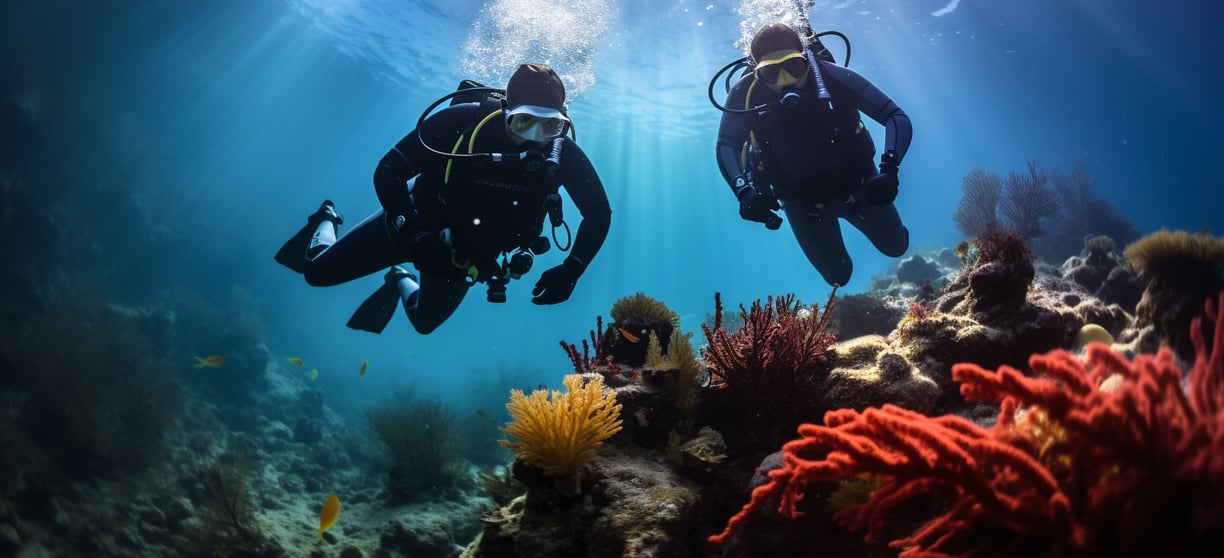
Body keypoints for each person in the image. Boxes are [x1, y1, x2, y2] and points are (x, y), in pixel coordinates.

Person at [275, 64, 611, 334]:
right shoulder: (460, 122)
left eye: (550, 126)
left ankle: (398, 279)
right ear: (507, 109)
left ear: (562, 122)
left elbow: (598, 212)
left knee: (424, 324)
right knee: (315, 274)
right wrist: (416, 236)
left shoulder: (562, 153)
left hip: (462, 256)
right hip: (412, 222)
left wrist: (573, 268)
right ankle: (328, 218)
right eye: (524, 123)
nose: (535, 140)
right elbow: (388, 171)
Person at [714, 22, 912, 287]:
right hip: (802, 202)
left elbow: (895, 116)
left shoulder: (833, 77)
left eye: (794, 67)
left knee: (896, 247)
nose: (786, 82)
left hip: (861, 185)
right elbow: (727, 144)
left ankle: (866, 219)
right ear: (758, 72)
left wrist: (889, 169)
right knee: (837, 277)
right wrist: (744, 192)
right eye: (772, 73)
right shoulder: (745, 93)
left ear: (806, 59)